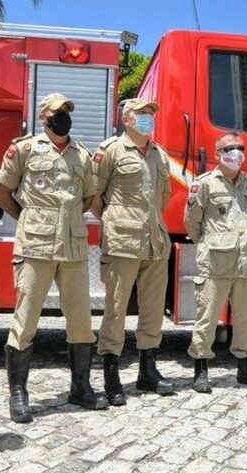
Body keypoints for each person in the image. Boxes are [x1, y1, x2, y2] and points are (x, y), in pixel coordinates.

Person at [0, 92, 108, 423]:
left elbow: (88, 198)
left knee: (81, 320)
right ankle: (18, 393)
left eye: (67, 112)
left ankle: (81, 387)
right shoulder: (25, 149)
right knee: (26, 319)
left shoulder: (82, 155)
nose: (63, 117)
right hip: (36, 246)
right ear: (44, 116)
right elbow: (3, 193)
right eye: (58, 112)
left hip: (72, 248)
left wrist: (66, 219)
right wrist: (31, 219)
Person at [91, 98, 174, 406]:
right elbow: (94, 196)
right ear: (127, 119)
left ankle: (147, 371)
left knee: (152, 310)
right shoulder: (110, 150)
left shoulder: (159, 154)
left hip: (155, 242)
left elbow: (163, 197)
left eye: (151, 114)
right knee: (115, 309)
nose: (148, 119)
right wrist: (116, 221)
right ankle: (111, 376)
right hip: (122, 242)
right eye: (142, 114)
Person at [183, 131, 247, 393]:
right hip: (215, 263)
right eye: (229, 148)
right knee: (207, 318)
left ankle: (246, 368)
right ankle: (201, 369)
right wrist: (212, 242)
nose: (236, 152)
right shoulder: (205, 184)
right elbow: (192, 222)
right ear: (217, 154)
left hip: (245, 264)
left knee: (246, 319)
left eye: (240, 147)